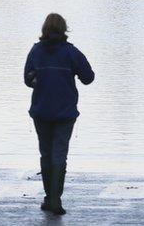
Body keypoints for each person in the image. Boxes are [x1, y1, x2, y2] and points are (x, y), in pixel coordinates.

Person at [23, 13, 94, 216]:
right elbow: (88, 77)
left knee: (46, 154)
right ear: (64, 30)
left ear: (44, 29)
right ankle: (56, 198)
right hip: (65, 112)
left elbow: (27, 79)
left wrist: (39, 80)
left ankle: (49, 197)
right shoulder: (71, 52)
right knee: (59, 154)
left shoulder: (36, 51)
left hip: (41, 111)